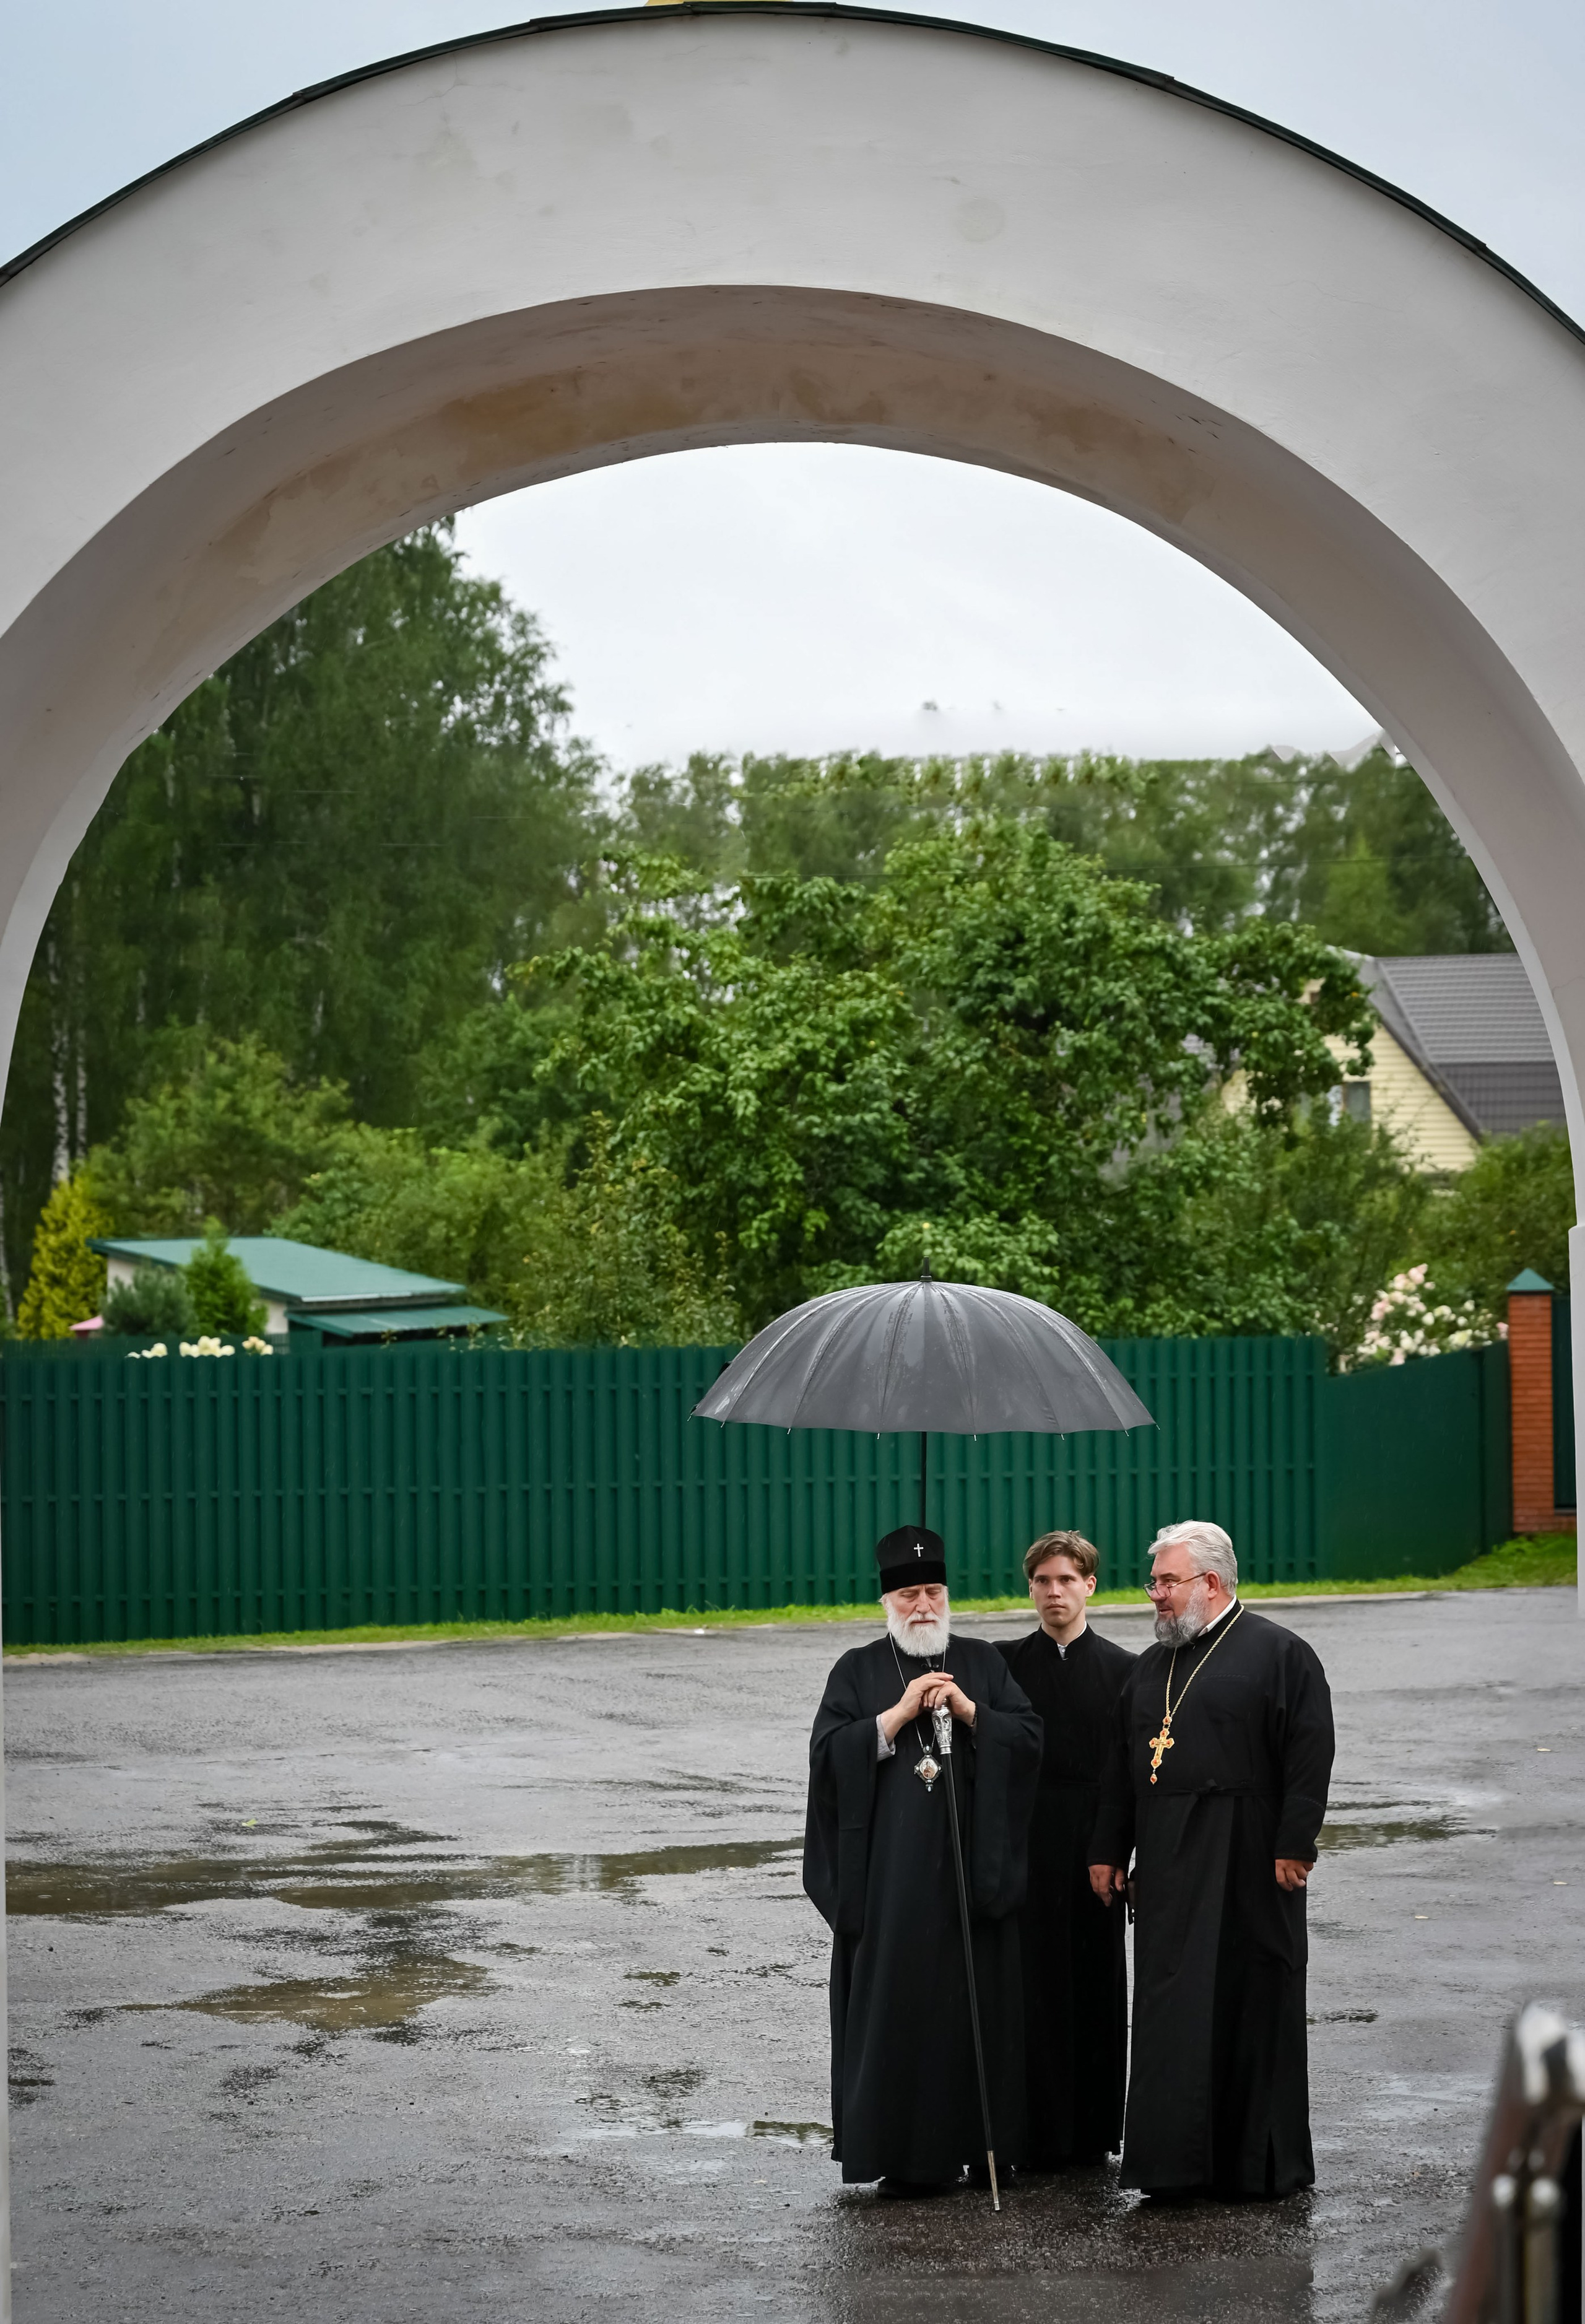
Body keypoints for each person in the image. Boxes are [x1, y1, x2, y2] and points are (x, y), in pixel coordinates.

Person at [1088, 1519, 1334, 2201]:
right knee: (1173, 2008)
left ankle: (1256, 2168)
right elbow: (1120, 1768)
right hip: (1167, 1861)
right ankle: (1174, 2169)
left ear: (1212, 1583)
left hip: (1252, 1854)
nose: (1155, 1596)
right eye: (1154, 1582)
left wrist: (1295, 1840)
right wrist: (1108, 1849)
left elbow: (1309, 1754)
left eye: (1167, 1582)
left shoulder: (1281, 1654)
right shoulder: (1149, 1668)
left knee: (1252, 1997)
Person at [803, 1523, 1042, 2195]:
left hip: (974, 1881)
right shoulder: (856, 1670)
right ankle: (905, 2157)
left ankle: (985, 2148)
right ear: (887, 1602)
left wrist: (971, 1713)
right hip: (892, 1889)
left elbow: (1027, 1741)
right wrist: (895, 1716)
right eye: (909, 1594)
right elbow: (827, 1759)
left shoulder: (983, 1663)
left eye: (933, 1591)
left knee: (978, 2008)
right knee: (900, 2012)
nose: (923, 1606)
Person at [997, 1530, 1134, 2167]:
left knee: (1092, 1983)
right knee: (1025, 1988)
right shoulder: (1000, 1667)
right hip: (1023, 1842)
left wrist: (1114, 1850)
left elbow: (1129, 1775)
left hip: (1093, 1851)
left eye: (1066, 1580)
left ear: (1089, 1586)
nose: (1054, 1592)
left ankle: (1090, 2131)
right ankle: (1025, 2131)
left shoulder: (1126, 1672)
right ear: (1030, 1588)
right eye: (1043, 1581)